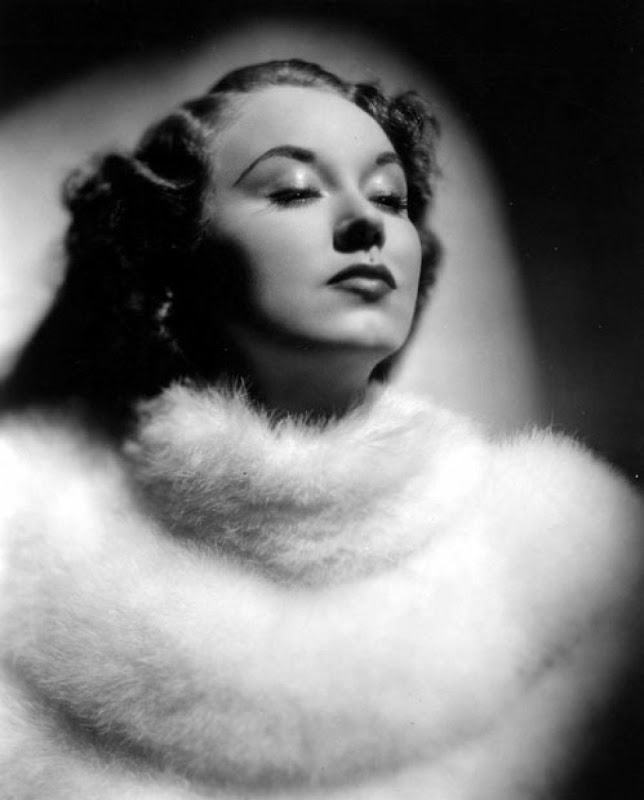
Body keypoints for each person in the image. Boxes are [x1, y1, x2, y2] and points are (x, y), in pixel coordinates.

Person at [0, 59, 641, 799]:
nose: (367, 222)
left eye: (390, 197)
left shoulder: (571, 558)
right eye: (295, 190)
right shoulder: (26, 536)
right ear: (174, 260)